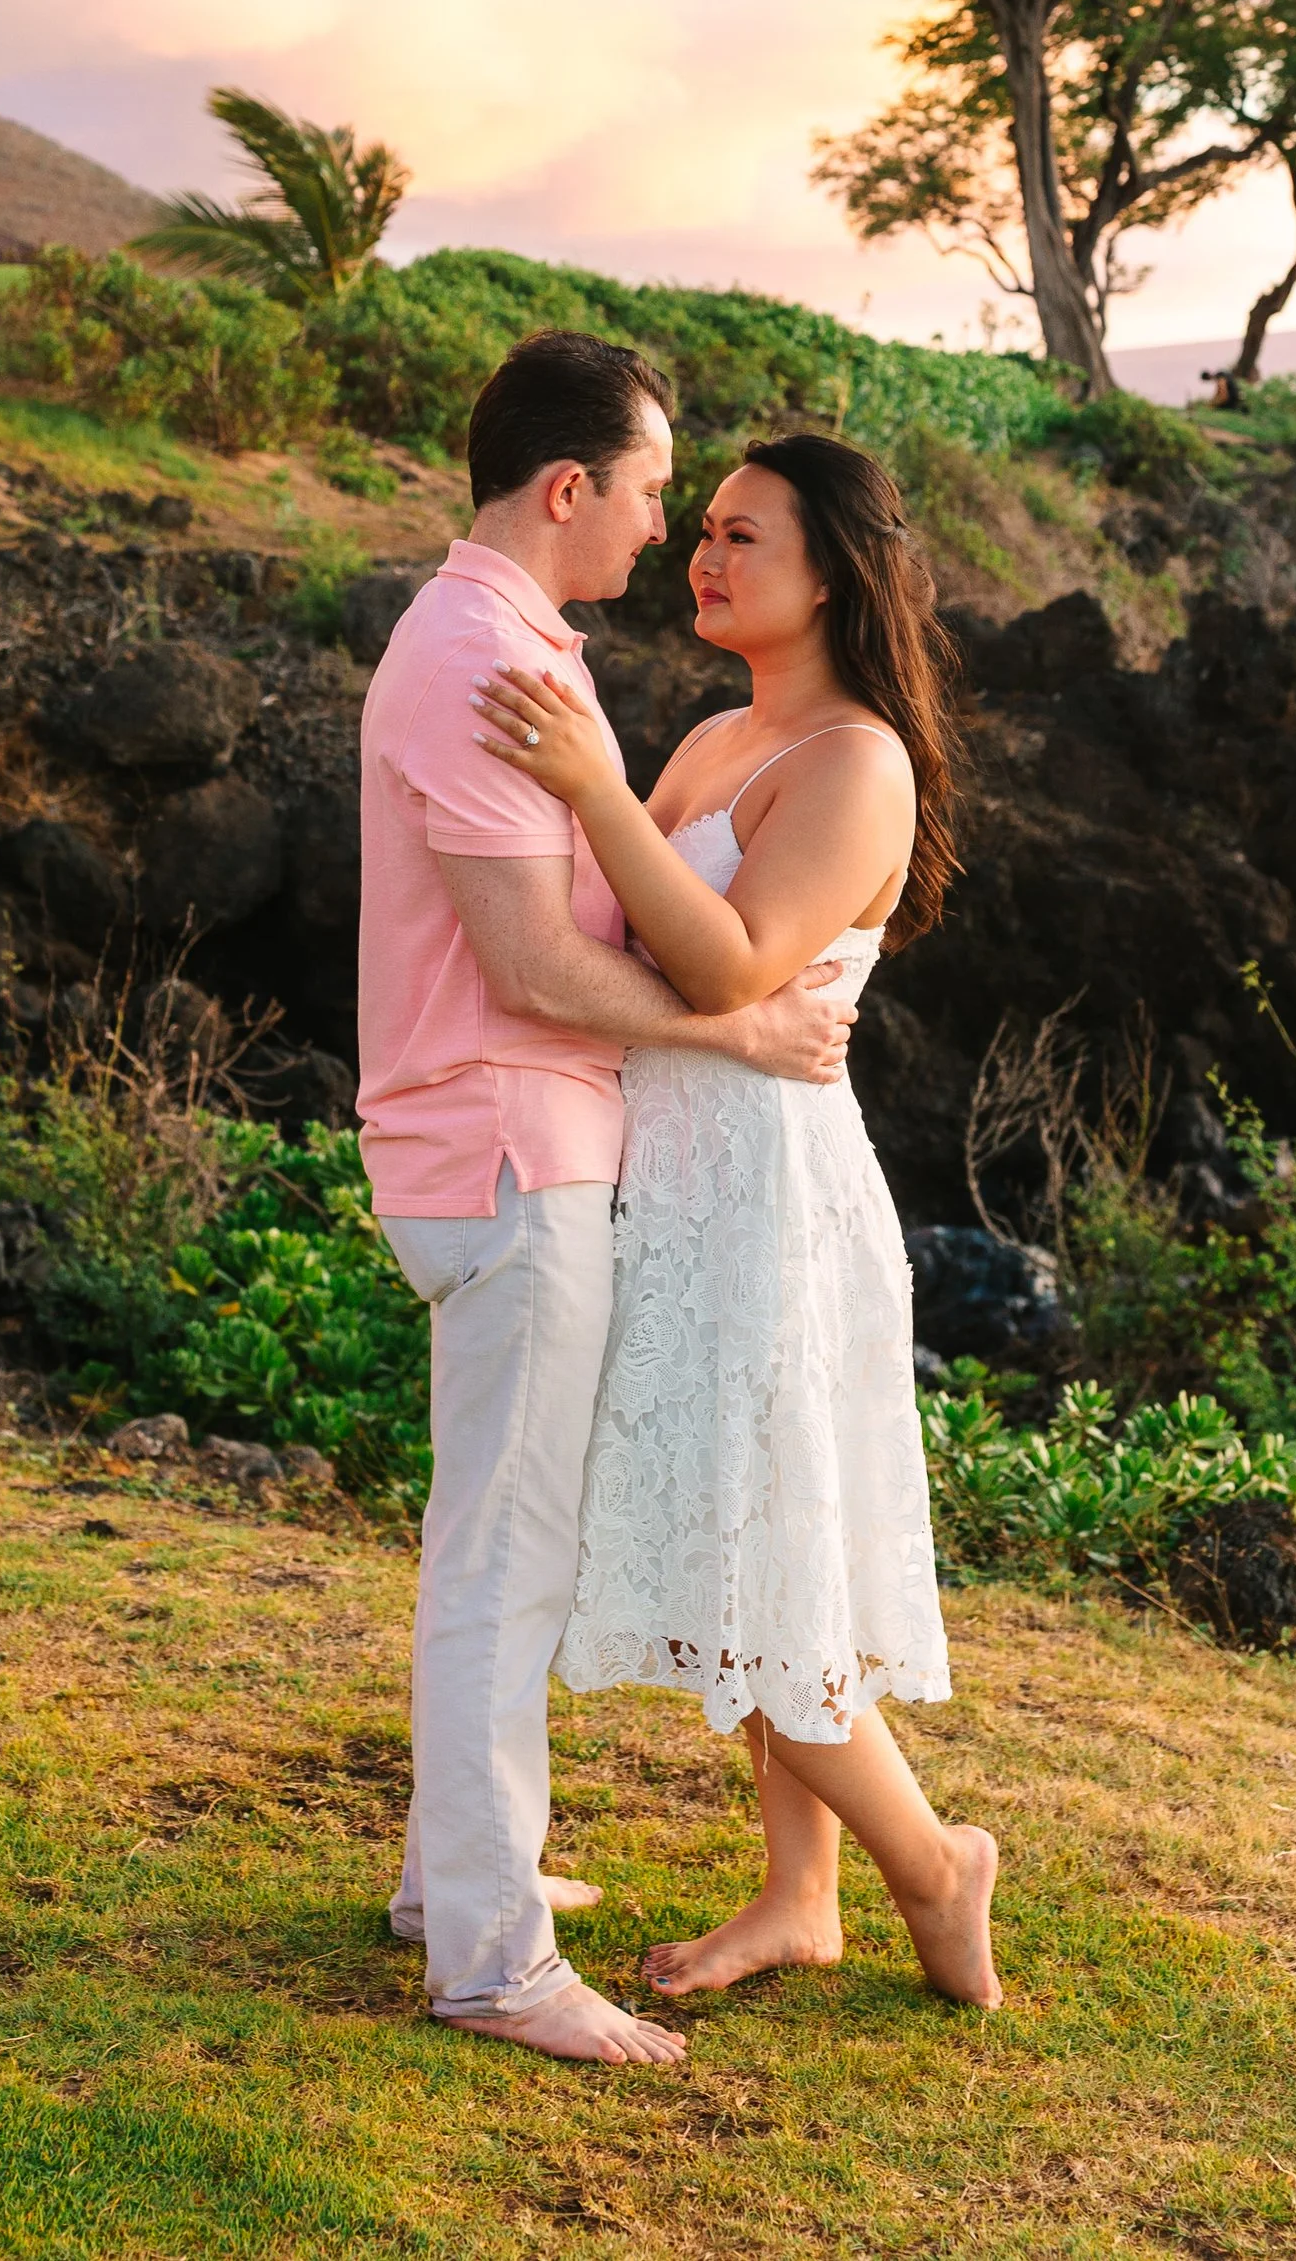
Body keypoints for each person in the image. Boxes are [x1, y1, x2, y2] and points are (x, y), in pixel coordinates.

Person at [359, 333, 860, 2068]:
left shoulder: (505, 645)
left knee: (485, 1546)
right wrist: (752, 1022)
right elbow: (533, 965)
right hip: (507, 1149)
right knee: (506, 1566)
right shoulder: (481, 655)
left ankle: (452, 1881)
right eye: (654, 493)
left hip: (511, 1144)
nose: (662, 531)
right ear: (568, 488)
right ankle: (493, 1962)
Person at [469, 432, 1000, 2011]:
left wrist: (582, 785)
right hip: (681, 1172)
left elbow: (727, 965)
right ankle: (799, 1896)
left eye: (741, 536)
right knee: (751, 1548)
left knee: (770, 1559)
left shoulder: (857, 762)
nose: (702, 556)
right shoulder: (713, 737)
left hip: (771, 1194)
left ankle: (933, 1863)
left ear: (829, 569)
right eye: (697, 529)